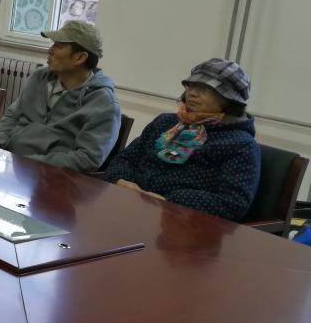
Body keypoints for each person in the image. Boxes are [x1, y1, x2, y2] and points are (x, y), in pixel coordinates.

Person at [104, 58, 261, 221]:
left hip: (185, 223)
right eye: (191, 86)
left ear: (229, 100)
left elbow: (232, 202)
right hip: (132, 207)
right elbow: (125, 159)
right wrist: (121, 180)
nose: (192, 93)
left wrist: (170, 202)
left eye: (204, 89)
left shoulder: (241, 144)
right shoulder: (165, 122)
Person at [0, 20, 120, 173]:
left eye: (58, 46)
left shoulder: (104, 103)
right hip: (11, 167)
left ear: (80, 58)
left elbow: (87, 158)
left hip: (52, 178)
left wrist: (27, 163)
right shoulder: (39, 77)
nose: (50, 50)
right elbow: (12, 115)